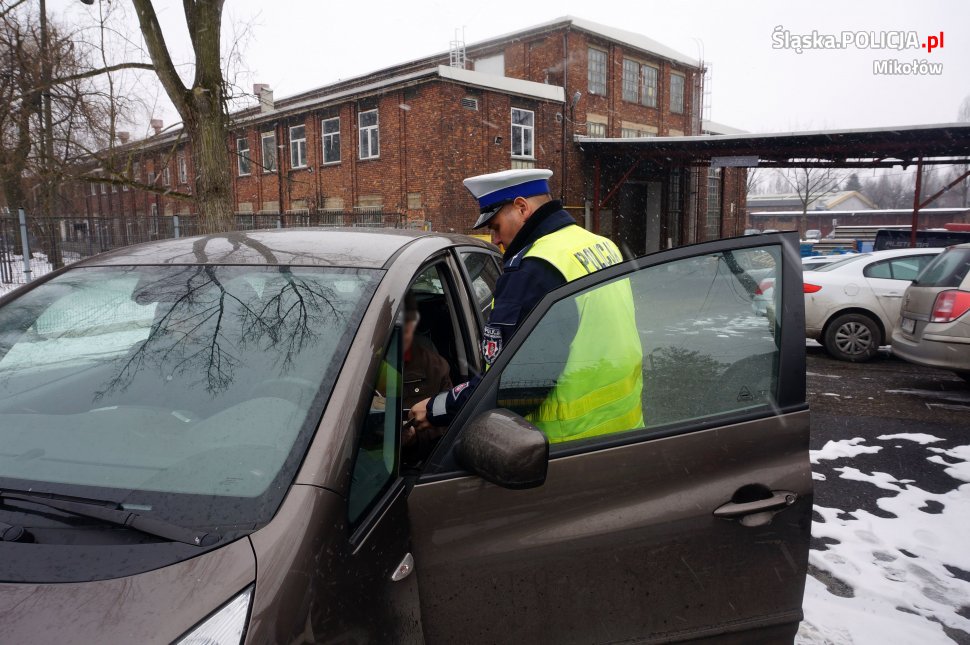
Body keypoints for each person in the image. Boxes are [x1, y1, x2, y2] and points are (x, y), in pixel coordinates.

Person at [409, 168, 643, 443]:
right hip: (626, 434)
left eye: (495, 226)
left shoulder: (534, 269)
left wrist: (438, 408)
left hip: (560, 449)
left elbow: (515, 388)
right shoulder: (602, 246)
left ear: (521, 207)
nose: (494, 240)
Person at [400, 293, 452, 456]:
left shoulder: (436, 368)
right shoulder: (346, 365)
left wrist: (415, 438)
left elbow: (450, 426)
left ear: (412, 324)